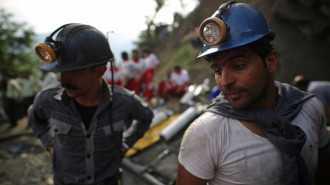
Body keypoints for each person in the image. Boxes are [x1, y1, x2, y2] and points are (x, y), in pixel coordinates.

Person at [176, 2, 329, 185]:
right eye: (217, 70)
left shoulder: (310, 109)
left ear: (271, 61)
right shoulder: (205, 133)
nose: (225, 81)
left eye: (238, 66)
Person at [29, 23, 154, 185]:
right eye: (61, 71)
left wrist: (125, 144)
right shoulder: (47, 100)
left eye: (73, 71)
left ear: (100, 71)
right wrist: (50, 145)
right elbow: (34, 118)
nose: (63, 80)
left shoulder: (124, 102)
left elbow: (146, 117)